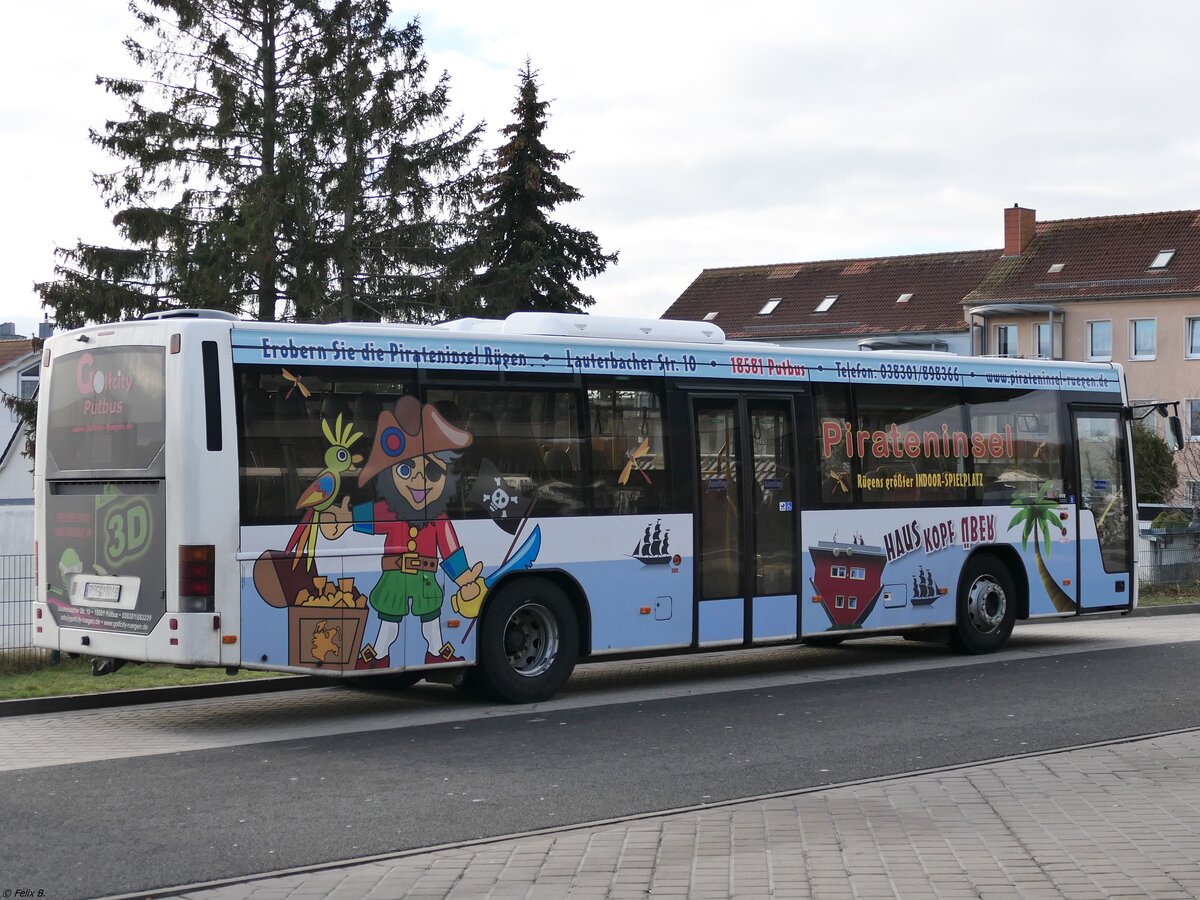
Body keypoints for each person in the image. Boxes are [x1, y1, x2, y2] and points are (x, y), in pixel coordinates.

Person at [322, 395, 486, 668]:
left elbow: (450, 549)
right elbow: (371, 517)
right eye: (406, 468)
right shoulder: (391, 510)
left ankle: (435, 651)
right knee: (388, 616)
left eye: (433, 472)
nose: (419, 478)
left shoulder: (439, 519)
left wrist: (463, 578)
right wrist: (346, 518)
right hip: (395, 576)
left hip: (425, 577)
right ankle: (378, 654)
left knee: (431, 618)